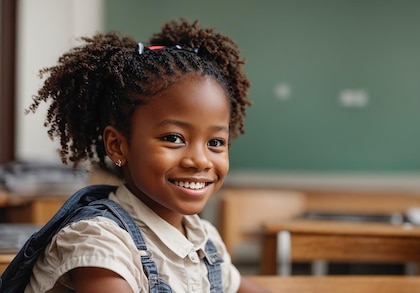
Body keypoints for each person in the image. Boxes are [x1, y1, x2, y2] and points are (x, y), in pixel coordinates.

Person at [24, 19, 268, 293]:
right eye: (173, 138)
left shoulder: (204, 240)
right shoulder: (99, 240)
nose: (200, 160)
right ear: (117, 146)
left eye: (215, 142)